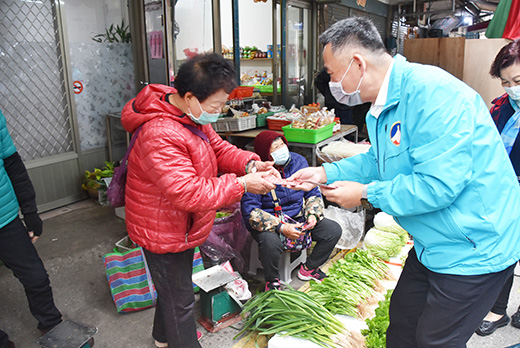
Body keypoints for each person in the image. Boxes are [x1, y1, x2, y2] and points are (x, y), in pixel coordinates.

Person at [288, 17, 520, 348]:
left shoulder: (433, 95)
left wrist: (366, 194)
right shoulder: (380, 108)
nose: (332, 82)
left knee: (433, 342)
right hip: (433, 244)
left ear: (357, 63)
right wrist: (325, 173)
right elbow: (376, 160)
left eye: (332, 73)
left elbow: (437, 187)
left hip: (475, 246)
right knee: (402, 326)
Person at [120, 53, 278, 348]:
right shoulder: (160, 132)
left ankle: (160, 338)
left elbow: (218, 149)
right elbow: (189, 192)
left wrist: (249, 165)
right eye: (216, 105)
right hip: (162, 227)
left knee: (172, 289)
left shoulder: (187, 115)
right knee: (180, 302)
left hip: (179, 225)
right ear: (190, 96)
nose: (219, 111)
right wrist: (243, 184)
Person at [240, 131, 342, 291]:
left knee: (333, 230)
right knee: (269, 242)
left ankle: (309, 268)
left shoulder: (298, 161)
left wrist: (312, 215)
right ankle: (272, 281)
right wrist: (281, 227)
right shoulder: (255, 174)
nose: (282, 149)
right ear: (266, 154)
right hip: (270, 223)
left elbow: (312, 192)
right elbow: (250, 212)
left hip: (297, 218)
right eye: (275, 148)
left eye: (282, 145)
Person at [0, 109, 62, 348]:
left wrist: (30, 211)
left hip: (5, 218)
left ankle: (52, 324)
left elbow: (11, 162)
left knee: (35, 276)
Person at [475, 39, 520, 336]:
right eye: (505, 82)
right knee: (505, 248)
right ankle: (498, 309)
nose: (511, 87)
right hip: (504, 191)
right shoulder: (501, 107)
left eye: (517, 80)